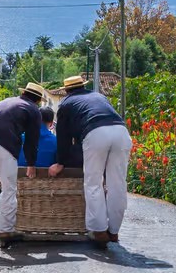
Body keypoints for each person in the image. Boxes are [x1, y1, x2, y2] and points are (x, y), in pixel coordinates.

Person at [49, 75, 131, 246]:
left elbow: (63, 136)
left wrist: (61, 162)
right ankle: (114, 231)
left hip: (95, 133)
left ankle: (99, 230)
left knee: (93, 182)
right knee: (117, 184)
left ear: (66, 91)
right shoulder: (100, 96)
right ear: (83, 86)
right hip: (121, 132)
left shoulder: (66, 103)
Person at [0, 83, 44, 249]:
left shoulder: (6, 102)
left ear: (23, 93)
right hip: (5, 145)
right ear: (38, 100)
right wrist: (31, 164)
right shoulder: (33, 110)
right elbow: (32, 141)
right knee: (9, 190)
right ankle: (5, 231)